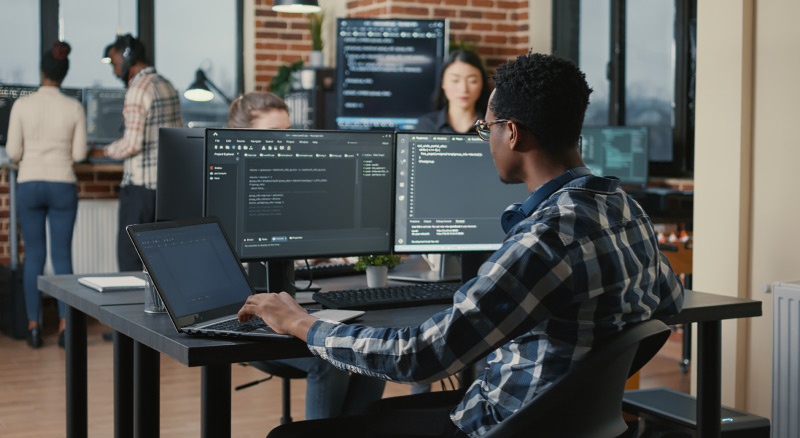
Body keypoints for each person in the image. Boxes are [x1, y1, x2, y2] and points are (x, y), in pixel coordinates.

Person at [238, 53, 685, 437]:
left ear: (512, 133)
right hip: (569, 422)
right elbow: (669, 303)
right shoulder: (625, 207)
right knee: (374, 414)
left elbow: (422, 357)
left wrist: (301, 323)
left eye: (485, 128)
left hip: (500, 426)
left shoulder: (544, 239)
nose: (484, 139)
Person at [228, 91, 386, 419]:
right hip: (253, 320)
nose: (287, 144)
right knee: (328, 359)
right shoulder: (231, 189)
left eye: (289, 133)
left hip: (299, 307)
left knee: (368, 347)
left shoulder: (303, 181)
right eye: (275, 136)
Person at [6, 41, 87, 349]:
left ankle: (34, 327)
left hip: (29, 183)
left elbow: (13, 151)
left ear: (42, 71)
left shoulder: (23, 106)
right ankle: (66, 327)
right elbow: (78, 154)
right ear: (64, 74)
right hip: (62, 183)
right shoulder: (74, 107)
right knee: (62, 257)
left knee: (34, 258)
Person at [101, 34, 183, 272]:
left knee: (130, 260)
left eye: (115, 63)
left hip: (140, 189)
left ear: (128, 58)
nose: (115, 70)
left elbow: (131, 144)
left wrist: (104, 150)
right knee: (162, 260)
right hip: (166, 188)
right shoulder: (166, 84)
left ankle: (130, 310)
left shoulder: (138, 89)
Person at [415, 49, 491, 134]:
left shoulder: (493, 126)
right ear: (443, 83)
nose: (464, 89)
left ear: (482, 83)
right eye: (455, 80)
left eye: (472, 81)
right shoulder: (427, 126)